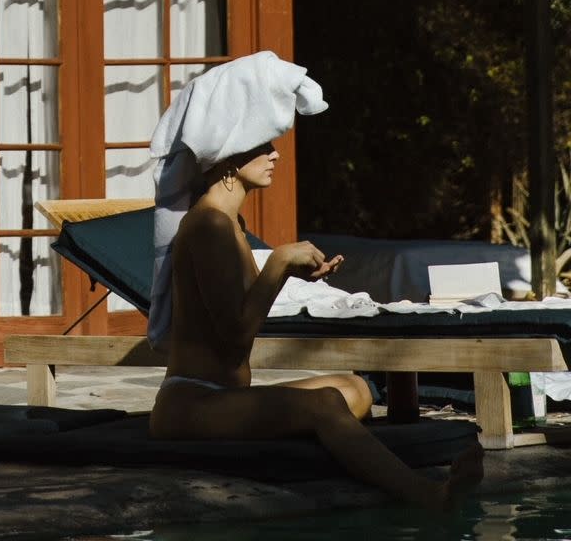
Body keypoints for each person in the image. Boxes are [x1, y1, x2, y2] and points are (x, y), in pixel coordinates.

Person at [146, 52, 483, 509]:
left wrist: (291, 273)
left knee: (355, 388)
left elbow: (239, 313)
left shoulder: (231, 225)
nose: (275, 153)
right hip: (191, 405)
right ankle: (428, 497)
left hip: (225, 398)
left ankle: (334, 453)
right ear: (230, 150)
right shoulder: (209, 226)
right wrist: (281, 261)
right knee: (325, 405)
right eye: (265, 142)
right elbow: (234, 333)